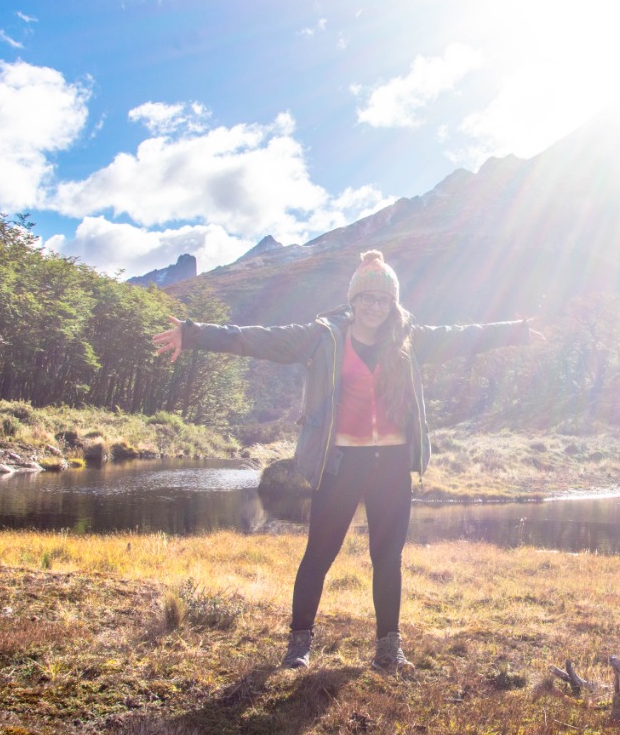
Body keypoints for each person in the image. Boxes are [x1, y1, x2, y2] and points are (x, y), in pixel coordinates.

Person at [152, 250, 538, 674]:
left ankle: (388, 649)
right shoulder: (323, 337)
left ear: (393, 304)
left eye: (383, 300)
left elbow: (465, 336)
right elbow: (256, 338)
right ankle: (299, 646)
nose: (375, 308)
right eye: (367, 299)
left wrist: (516, 331)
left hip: (392, 464)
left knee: (388, 557)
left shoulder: (409, 338)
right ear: (353, 301)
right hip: (341, 463)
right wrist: (192, 333)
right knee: (319, 553)